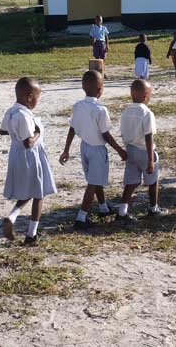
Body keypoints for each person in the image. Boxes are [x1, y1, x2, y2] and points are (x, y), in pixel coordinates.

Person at [60, 70, 128, 231]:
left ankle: (103, 207)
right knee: (93, 183)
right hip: (97, 149)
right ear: (100, 89)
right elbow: (106, 134)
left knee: (95, 179)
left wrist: (66, 149)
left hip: (84, 147)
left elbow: (72, 128)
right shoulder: (100, 110)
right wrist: (120, 150)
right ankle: (81, 216)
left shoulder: (78, 106)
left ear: (83, 87)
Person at [0, 77, 56, 246]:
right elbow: (28, 142)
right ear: (30, 97)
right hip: (30, 156)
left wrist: (15, 132)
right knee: (38, 194)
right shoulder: (24, 116)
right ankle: (31, 234)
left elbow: (3, 131)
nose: (38, 101)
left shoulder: (11, 112)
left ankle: (12, 217)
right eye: (37, 97)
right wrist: (38, 132)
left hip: (15, 154)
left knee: (28, 192)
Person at [117, 79, 167, 221]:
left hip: (130, 150)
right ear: (145, 97)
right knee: (153, 180)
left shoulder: (125, 112)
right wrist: (151, 160)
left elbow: (123, 133)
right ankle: (153, 208)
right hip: (145, 151)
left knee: (131, 182)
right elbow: (148, 136)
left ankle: (122, 211)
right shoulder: (147, 113)